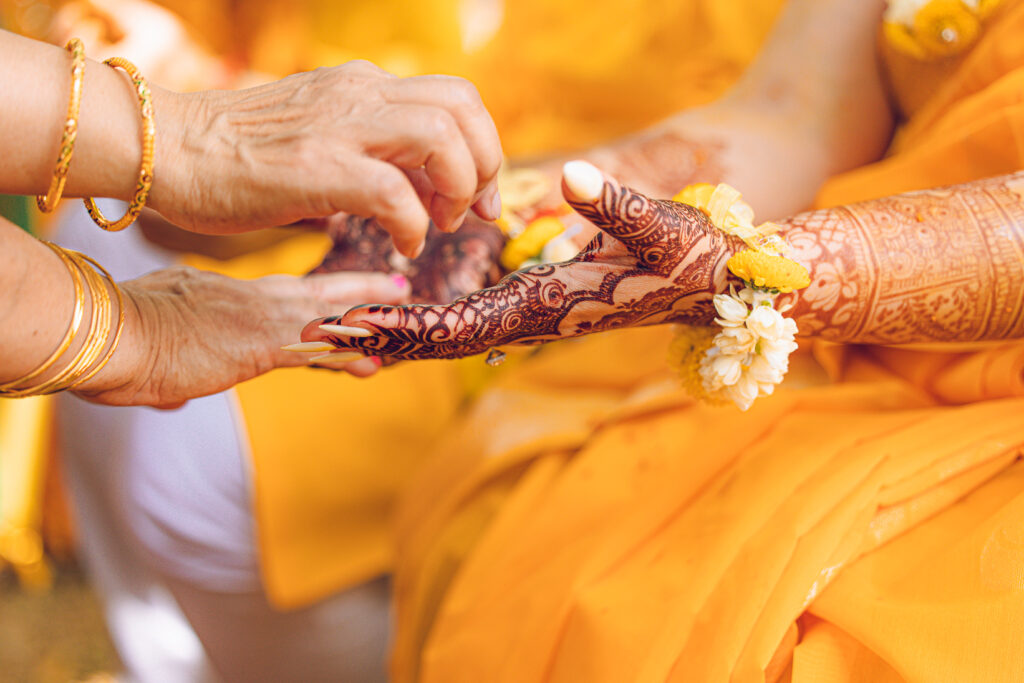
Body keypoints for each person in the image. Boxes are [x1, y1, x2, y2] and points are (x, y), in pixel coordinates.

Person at [303, 0, 1024, 680]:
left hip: (970, 420)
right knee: (573, 554)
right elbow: (798, 116)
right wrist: (522, 216)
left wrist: (749, 274)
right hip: (827, 356)